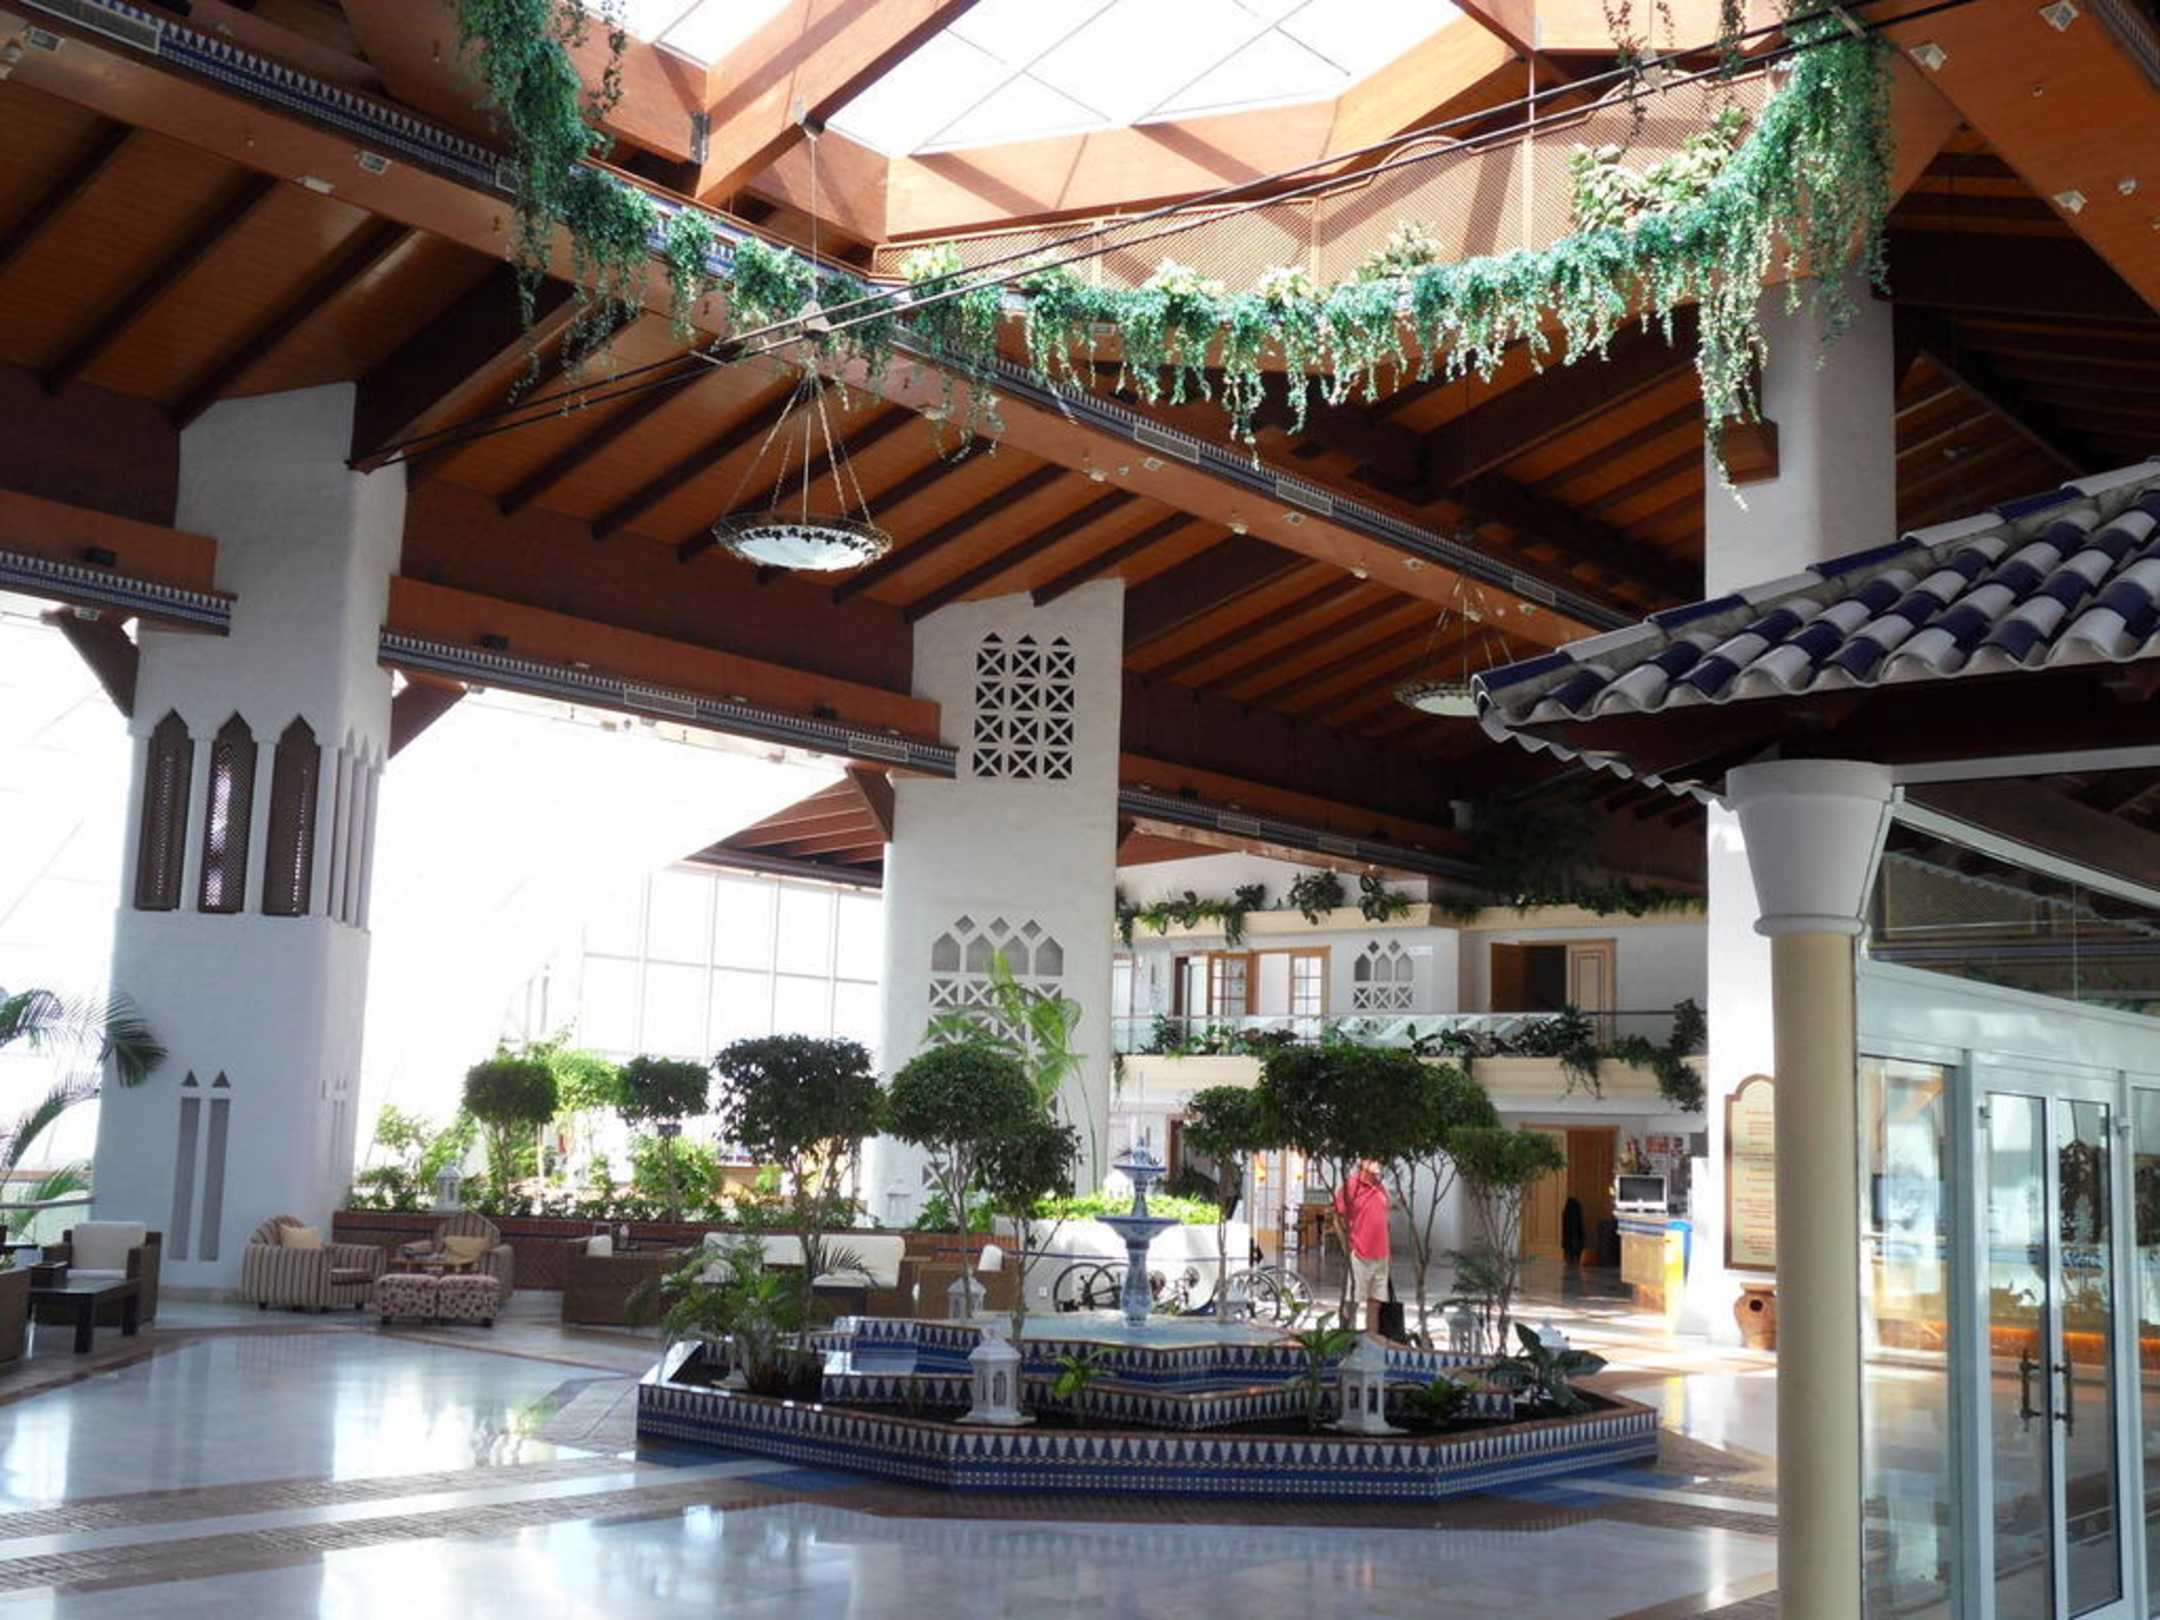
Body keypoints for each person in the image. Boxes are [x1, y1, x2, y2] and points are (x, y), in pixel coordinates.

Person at [1332, 1159, 1390, 1334]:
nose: (1378, 1163)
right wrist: (1347, 1247)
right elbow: (1337, 1217)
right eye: (1373, 1159)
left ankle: (1371, 1340)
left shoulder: (1380, 1187)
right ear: (1362, 1162)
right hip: (1360, 1254)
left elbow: (1384, 1220)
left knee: (1376, 1303)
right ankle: (1346, 1338)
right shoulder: (1351, 1186)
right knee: (1352, 1301)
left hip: (1381, 1255)